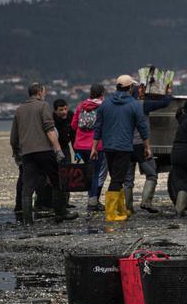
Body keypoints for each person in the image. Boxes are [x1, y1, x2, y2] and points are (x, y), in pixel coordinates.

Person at [10, 84, 76, 224]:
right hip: (44, 151)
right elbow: (49, 129)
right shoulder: (43, 106)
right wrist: (58, 150)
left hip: (27, 153)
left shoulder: (19, 110)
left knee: (27, 186)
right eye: (44, 92)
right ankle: (61, 212)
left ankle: (27, 219)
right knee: (57, 180)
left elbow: (13, 137)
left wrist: (16, 153)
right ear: (39, 93)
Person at [90, 75, 150, 222]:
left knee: (117, 177)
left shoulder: (105, 104)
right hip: (124, 147)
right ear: (130, 88)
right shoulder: (135, 105)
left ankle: (120, 209)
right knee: (117, 179)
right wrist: (147, 147)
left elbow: (97, 127)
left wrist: (94, 148)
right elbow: (143, 128)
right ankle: (111, 214)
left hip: (108, 147)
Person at [126, 83, 172, 215]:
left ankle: (128, 208)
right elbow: (165, 102)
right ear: (137, 91)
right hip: (140, 145)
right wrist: (167, 92)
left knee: (128, 180)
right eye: (142, 90)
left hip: (126, 146)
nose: (143, 93)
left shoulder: (125, 106)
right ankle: (146, 202)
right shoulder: (142, 105)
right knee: (152, 174)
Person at [72, 84, 107, 212]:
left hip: (80, 146)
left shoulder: (81, 105)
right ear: (102, 93)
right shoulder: (104, 106)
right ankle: (93, 201)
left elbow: (74, 124)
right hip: (96, 145)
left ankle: (92, 199)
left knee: (88, 173)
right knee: (96, 173)